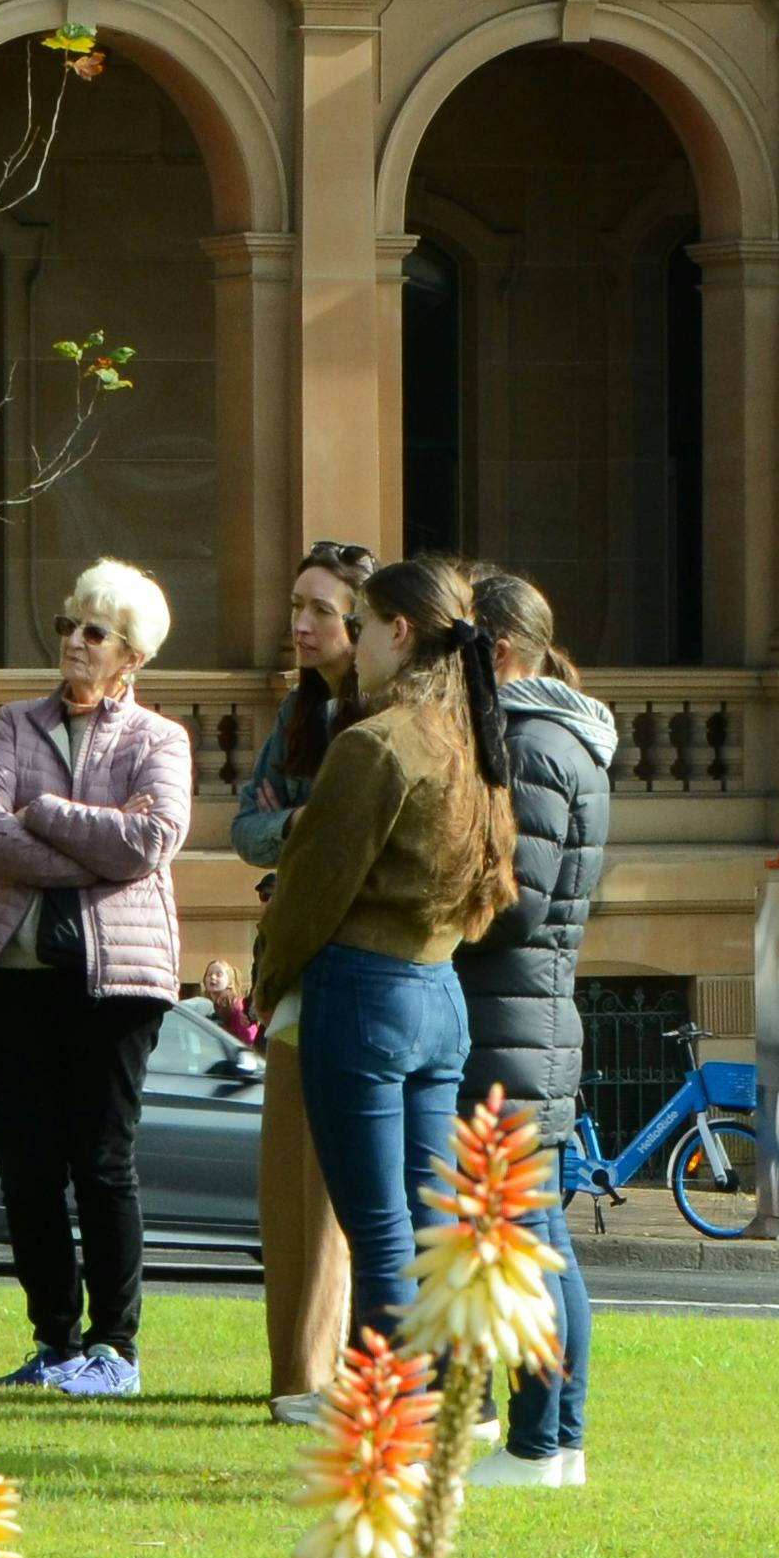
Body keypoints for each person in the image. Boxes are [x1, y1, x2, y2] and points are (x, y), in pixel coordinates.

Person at [0, 560, 194, 1399]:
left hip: (117, 982)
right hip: (16, 975)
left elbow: (150, 841)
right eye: (67, 625)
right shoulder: (14, 722)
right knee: (25, 1163)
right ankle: (53, 1341)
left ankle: (114, 1348)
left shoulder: (160, 739)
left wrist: (41, 814)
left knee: (101, 1160)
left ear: (131, 656)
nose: (74, 641)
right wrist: (91, 848)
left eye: (94, 631)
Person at [250, 556, 518, 1351]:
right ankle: (449, 1393)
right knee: (430, 1224)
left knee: (377, 1229)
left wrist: (268, 980)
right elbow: (492, 878)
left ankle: (391, 1402)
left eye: (360, 623)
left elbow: (311, 889)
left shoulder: (376, 742)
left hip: (363, 991)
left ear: (398, 632)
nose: (353, 638)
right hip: (439, 988)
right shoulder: (469, 734)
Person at [458, 569, 611, 1492]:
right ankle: (557, 1442)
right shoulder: (558, 738)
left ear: (500, 649)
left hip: (509, 1021)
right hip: (527, 1019)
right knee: (540, 1236)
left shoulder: (531, 743)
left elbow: (516, 905)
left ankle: (535, 1443)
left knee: (522, 1241)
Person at [228, 539, 376, 1426]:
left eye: (320, 609)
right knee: (287, 1180)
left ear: (363, 622)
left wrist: (296, 823)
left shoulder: (382, 712)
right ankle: (294, 1377)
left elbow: (353, 834)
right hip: (290, 956)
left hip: (356, 959)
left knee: (336, 1187)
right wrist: (297, 828)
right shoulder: (296, 710)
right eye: (296, 606)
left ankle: (334, 1375)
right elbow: (245, 828)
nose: (300, 624)